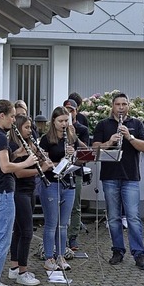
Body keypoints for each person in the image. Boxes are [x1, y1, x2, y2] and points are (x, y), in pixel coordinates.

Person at [0, 100, 37, 286]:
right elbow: (5, 168)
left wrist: (16, 154)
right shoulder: (0, 138)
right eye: (12, 116)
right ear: (1, 116)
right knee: (1, 240)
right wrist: (28, 162)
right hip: (3, 192)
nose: (14, 119)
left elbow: (1, 163)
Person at [92, 92, 144, 270]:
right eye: (118, 104)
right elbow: (94, 149)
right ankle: (117, 250)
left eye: (124, 104)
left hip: (131, 176)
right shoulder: (103, 124)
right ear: (112, 106)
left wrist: (129, 137)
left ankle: (139, 254)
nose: (121, 107)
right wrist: (110, 141)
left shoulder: (136, 124)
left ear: (128, 106)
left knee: (133, 217)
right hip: (110, 177)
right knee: (113, 217)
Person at [7, 114, 51, 286]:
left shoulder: (30, 143)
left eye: (31, 127)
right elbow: (18, 172)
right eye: (26, 127)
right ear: (17, 128)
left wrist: (41, 159)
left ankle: (14, 267)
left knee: (19, 231)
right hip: (19, 192)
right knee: (27, 232)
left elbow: (33, 164)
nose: (30, 130)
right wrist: (42, 170)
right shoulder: (13, 146)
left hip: (30, 190)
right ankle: (22, 271)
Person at [39, 106, 84, 271]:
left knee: (63, 224)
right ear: (53, 121)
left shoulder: (71, 137)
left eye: (66, 120)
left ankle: (61, 256)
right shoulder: (46, 139)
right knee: (51, 223)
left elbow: (82, 158)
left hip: (68, 184)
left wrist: (74, 155)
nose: (64, 124)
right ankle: (49, 258)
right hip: (52, 183)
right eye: (61, 121)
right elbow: (43, 164)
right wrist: (61, 162)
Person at [63, 99, 90, 251]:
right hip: (60, 171)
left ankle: (73, 236)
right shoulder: (58, 128)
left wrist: (75, 136)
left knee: (75, 206)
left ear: (76, 112)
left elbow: (87, 152)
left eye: (71, 110)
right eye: (66, 110)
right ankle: (60, 237)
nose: (69, 113)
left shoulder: (82, 129)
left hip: (76, 171)